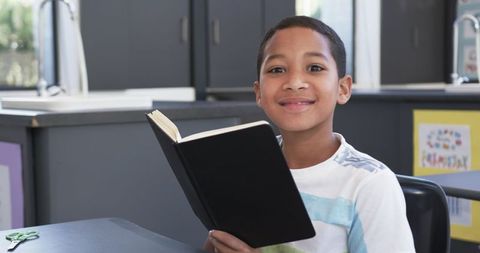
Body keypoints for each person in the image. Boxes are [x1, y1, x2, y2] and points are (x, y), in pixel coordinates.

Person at [204, 16, 415, 253]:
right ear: (259, 93)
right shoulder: (246, 166)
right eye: (277, 69)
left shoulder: (370, 184)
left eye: (315, 68)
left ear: (343, 88)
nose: (294, 82)